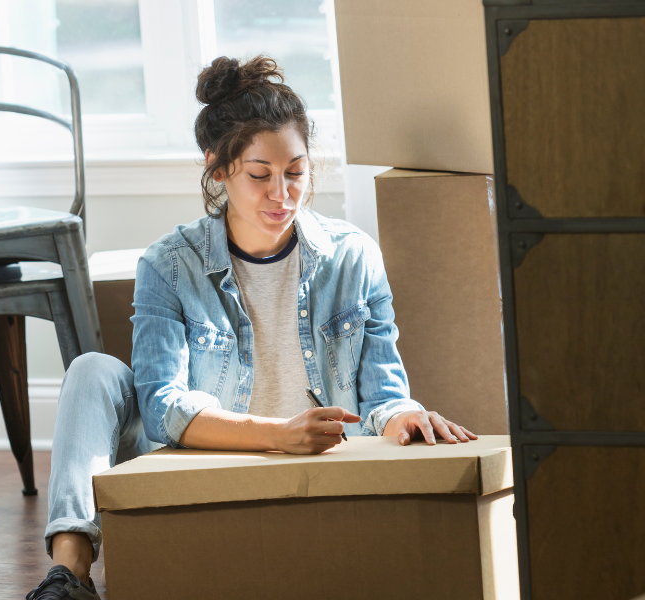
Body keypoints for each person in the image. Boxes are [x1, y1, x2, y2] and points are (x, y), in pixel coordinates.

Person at [26, 55, 477, 600]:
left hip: (316, 477)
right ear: (219, 169)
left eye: (296, 173)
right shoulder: (169, 265)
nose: (282, 195)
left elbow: (382, 394)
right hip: (202, 464)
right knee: (92, 369)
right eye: (260, 176)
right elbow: (164, 410)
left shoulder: (354, 257)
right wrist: (280, 435)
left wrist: (407, 417)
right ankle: (69, 577)